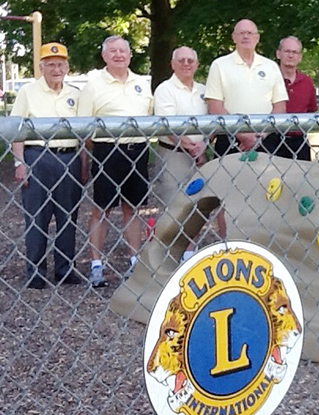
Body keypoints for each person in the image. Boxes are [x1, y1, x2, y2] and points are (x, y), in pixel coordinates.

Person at [78, 36, 153, 288]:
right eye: (113, 51)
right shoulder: (93, 86)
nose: (118, 55)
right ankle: (96, 265)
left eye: (123, 51)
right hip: (106, 152)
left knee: (133, 208)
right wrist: (98, 151)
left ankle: (134, 261)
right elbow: (83, 129)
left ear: (130, 56)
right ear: (104, 56)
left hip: (138, 151)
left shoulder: (142, 84)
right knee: (102, 208)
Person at [10, 42, 85, 289]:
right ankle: (35, 272)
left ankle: (65, 269)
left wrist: (83, 165)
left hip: (69, 158)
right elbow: (16, 130)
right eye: (50, 64)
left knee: (68, 217)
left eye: (60, 64)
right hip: (38, 157)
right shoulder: (28, 92)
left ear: (67, 67)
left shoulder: (75, 94)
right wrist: (20, 162)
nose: (56, 68)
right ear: (41, 67)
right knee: (37, 218)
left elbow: (84, 134)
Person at [205, 19, 288, 156]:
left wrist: (260, 135)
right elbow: (215, 106)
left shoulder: (271, 66)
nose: (245, 36)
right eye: (241, 33)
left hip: (266, 140)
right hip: (229, 138)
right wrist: (241, 134)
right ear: (234, 37)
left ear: (257, 38)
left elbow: (280, 106)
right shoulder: (219, 65)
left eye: (250, 33)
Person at [154, 46, 208, 207]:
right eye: (181, 60)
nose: (186, 64)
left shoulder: (204, 90)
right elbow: (167, 125)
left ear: (197, 64)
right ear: (172, 64)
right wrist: (191, 148)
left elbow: (213, 122)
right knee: (174, 207)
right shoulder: (165, 89)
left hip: (201, 156)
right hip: (174, 155)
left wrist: (203, 145)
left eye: (190, 60)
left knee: (199, 209)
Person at [275, 36, 318, 160]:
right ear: (279, 54)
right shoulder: (269, 80)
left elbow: (311, 110)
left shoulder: (307, 82)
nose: (291, 56)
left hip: (299, 142)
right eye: (287, 51)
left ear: (300, 57)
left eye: (295, 52)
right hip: (273, 140)